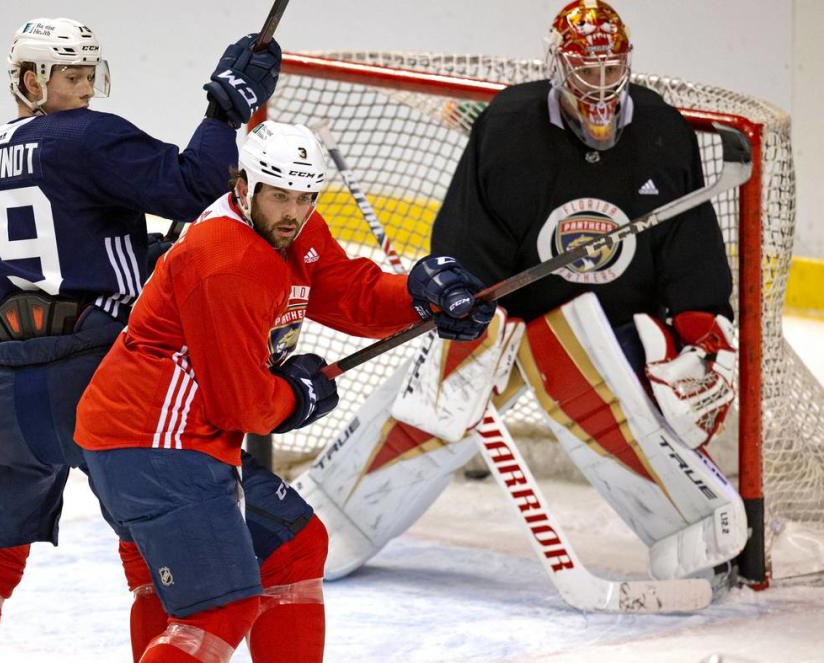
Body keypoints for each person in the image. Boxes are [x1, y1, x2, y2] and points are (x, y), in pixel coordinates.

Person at [296, 0, 747, 586]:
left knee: (641, 417)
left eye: (613, 71)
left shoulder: (661, 128)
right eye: (589, 71)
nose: (602, 87)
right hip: (507, 313)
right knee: (441, 398)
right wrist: (462, 298)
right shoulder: (510, 126)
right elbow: (468, 231)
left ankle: (698, 533)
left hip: (613, 325)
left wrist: (700, 324)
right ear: (558, 67)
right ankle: (328, 518)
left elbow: (689, 242)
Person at [0, 17, 283, 663]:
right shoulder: (88, 136)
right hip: (98, 376)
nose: (86, 89)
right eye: (71, 75)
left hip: (3, 386)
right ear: (32, 79)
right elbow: (192, 183)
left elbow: (47, 251)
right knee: (155, 549)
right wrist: (224, 111)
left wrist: (132, 252)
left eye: (91, 75)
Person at [72, 120, 494, 662]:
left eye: (305, 197)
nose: (294, 212)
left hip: (155, 438)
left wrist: (420, 297)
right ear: (244, 186)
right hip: (155, 446)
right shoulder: (227, 260)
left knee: (292, 549)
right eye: (280, 197)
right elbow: (242, 404)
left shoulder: (287, 229)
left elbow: (346, 291)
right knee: (215, 610)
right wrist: (299, 397)